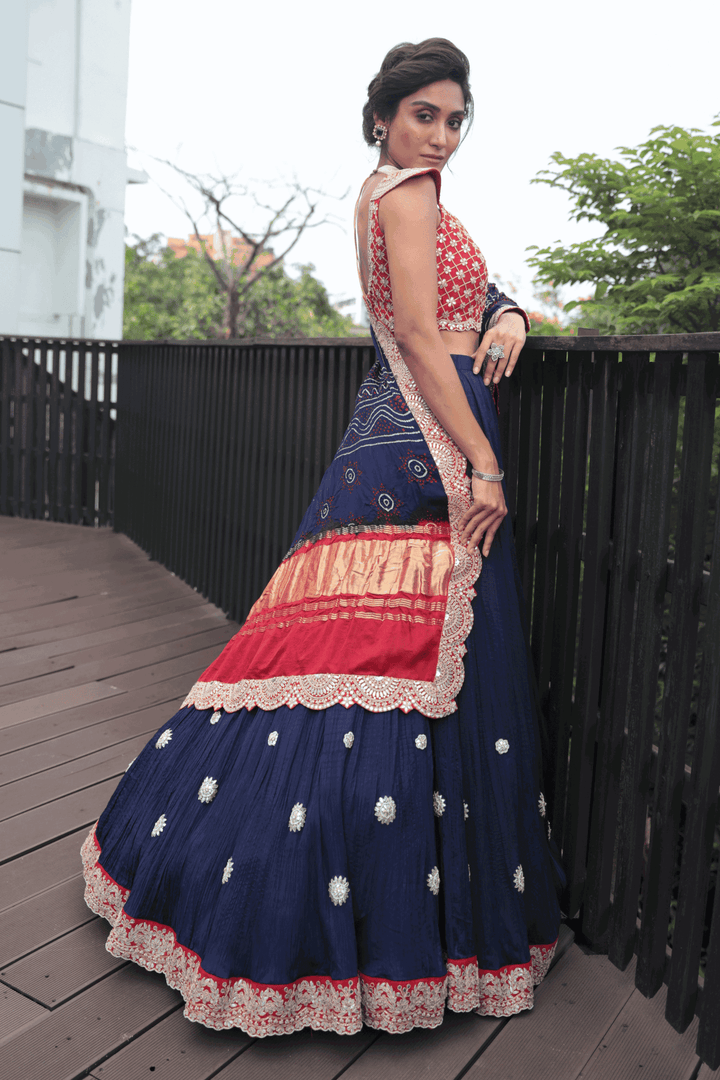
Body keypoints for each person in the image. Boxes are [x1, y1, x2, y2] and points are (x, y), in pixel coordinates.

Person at [81, 37, 563, 1037]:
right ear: (386, 114)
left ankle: (271, 878)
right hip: (433, 444)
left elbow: (455, 306)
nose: (442, 133)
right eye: (424, 113)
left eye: (455, 117)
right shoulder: (409, 191)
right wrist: (487, 464)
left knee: (337, 661)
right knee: (399, 673)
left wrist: (511, 317)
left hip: (391, 433)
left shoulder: (383, 190)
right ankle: (380, 928)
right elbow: (426, 339)